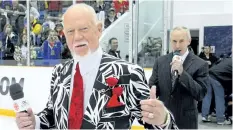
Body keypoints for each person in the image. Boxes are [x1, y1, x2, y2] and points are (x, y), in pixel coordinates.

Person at [15, 4, 178, 129]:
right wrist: (34, 121)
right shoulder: (60, 72)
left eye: (84, 29)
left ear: (99, 30)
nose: (77, 37)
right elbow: (52, 114)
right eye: (70, 31)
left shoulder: (127, 73)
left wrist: (163, 119)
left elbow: (153, 120)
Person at [149, 26, 208, 129]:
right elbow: (153, 84)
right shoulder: (160, 61)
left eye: (181, 41)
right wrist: (152, 88)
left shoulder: (200, 64)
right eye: (174, 41)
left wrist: (182, 73)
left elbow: (200, 94)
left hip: (186, 121)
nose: (177, 45)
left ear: (188, 41)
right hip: (163, 119)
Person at [202, 57, 232, 125]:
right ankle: (220, 119)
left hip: (208, 74)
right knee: (219, 98)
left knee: (207, 96)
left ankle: (205, 116)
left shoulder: (227, 59)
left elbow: (216, 64)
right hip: (217, 78)